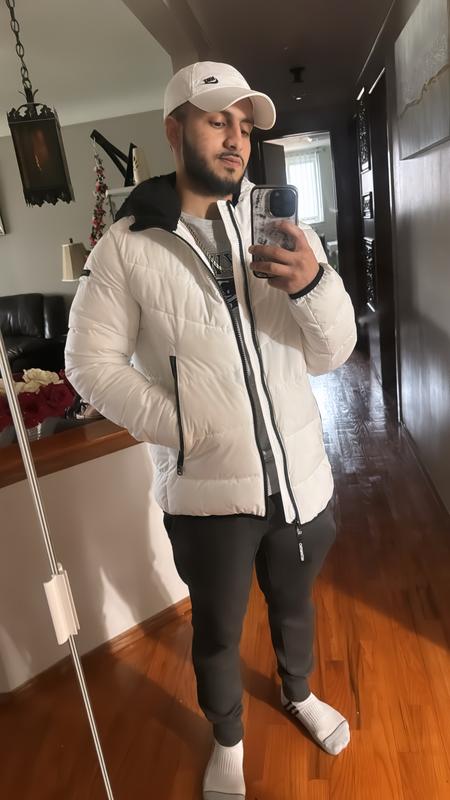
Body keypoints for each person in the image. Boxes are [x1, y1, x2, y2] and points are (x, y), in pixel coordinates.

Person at [65, 61, 357, 800]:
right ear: (175, 130)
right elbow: (88, 365)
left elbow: (333, 352)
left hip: (299, 475)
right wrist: (186, 428)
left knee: (295, 605)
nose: (236, 140)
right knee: (219, 631)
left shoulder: (286, 228)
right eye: (217, 121)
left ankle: (298, 692)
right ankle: (227, 738)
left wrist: (312, 285)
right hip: (206, 493)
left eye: (245, 127)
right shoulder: (125, 246)